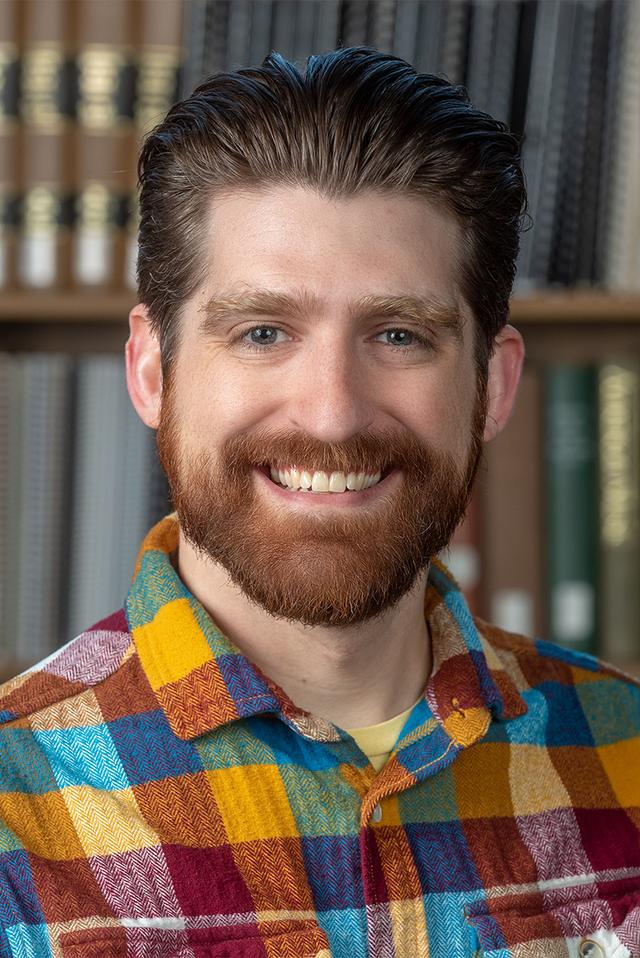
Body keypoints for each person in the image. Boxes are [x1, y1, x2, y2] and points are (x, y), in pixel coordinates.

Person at [1, 47, 638, 958]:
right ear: (151, 370)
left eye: (399, 334)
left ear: (493, 388)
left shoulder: (628, 756)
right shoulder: (14, 812)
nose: (333, 413)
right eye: (263, 332)